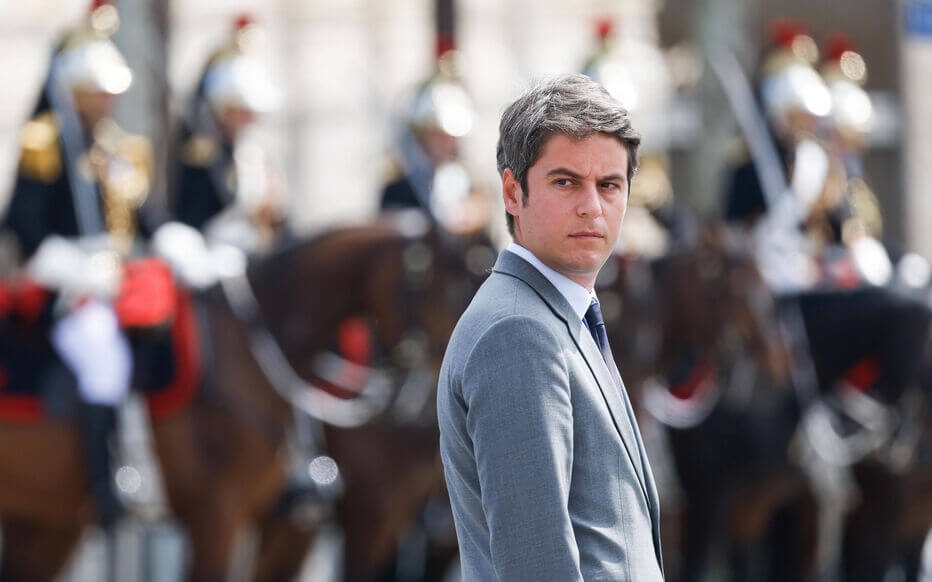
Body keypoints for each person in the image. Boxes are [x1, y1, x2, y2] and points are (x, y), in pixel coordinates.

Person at [437, 74, 663, 581]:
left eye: (609, 185)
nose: (591, 206)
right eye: (566, 182)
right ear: (512, 192)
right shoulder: (517, 332)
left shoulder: (553, 313)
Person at [1, 0, 165, 530]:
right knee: (103, 359)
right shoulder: (45, 143)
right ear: (74, 91)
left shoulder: (119, 151)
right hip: (68, 286)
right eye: (98, 91)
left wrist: (172, 238)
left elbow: (144, 217)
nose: (108, 101)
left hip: (121, 282)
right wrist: (80, 266)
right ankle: (110, 478)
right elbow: (24, 229)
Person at [171, 15, 287, 255]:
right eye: (242, 111)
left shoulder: (254, 152)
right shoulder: (203, 156)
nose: (250, 118)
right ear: (223, 111)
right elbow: (195, 218)